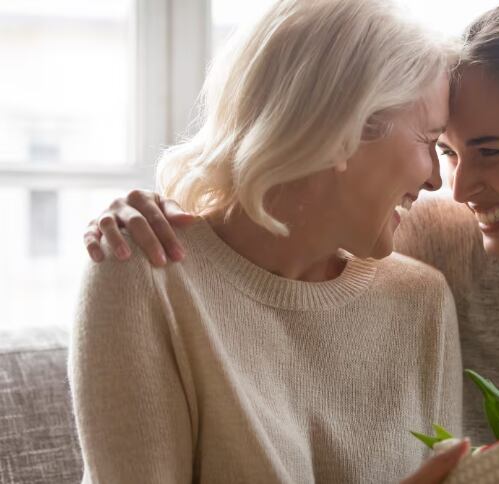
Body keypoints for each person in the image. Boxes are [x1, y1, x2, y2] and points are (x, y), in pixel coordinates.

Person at [85, 1, 499, 482]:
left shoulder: (418, 287)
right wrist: (146, 213)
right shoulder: (426, 247)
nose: (446, 185)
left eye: (487, 151)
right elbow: (260, 228)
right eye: (443, 149)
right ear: (342, 130)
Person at [69, 0, 467, 482]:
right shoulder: (144, 269)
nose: (435, 183)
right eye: (429, 141)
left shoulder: (422, 300)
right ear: (348, 126)